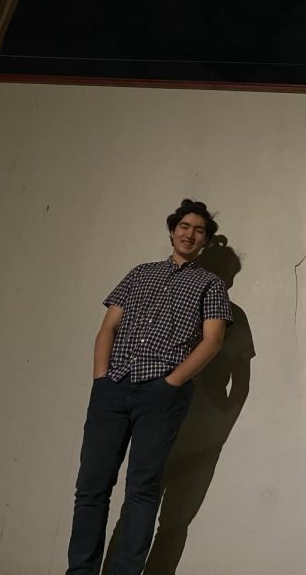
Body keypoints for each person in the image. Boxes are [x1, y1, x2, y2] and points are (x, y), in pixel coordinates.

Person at [67, 199, 232, 574]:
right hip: (112, 388)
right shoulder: (140, 273)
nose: (190, 234)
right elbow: (108, 326)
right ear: (173, 230)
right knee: (91, 487)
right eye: (185, 227)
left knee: (142, 489)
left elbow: (213, 341)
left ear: (205, 240)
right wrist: (100, 377)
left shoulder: (210, 284)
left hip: (161, 394)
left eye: (199, 230)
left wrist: (172, 383)